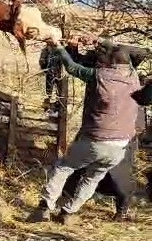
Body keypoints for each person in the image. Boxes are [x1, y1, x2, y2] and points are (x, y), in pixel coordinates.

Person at [29, 40, 140, 226]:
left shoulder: (99, 76)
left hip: (95, 140)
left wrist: (59, 47)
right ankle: (68, 213)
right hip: (120, 146)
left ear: (109, 61)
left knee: (63, 167)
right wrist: (102, 42)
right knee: (92, 178)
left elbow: (71, 67)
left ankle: (44, 207)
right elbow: (139, 53)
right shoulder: (133, 77)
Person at [59, 37, 151, 220]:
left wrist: (103, 41)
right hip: (96, 126)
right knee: (80, 169)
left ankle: (121, 210)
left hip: (125, 127)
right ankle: (67, 208)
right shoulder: (96, 71)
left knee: (120, 174)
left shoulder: (128, 70)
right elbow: (74, 63)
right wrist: (72, 46)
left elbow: (144, 52)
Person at [39, 44, 63, 115]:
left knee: (52, 91)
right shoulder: (48, 49)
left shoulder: (47, 49)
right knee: (53, 91)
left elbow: (42, 61)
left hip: (54, 74)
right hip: (54, 73)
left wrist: (45, 70)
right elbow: (42, 61)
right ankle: (51, 107)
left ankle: (54, 107)